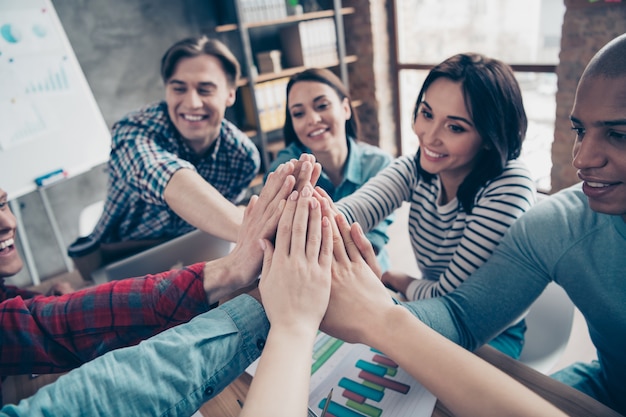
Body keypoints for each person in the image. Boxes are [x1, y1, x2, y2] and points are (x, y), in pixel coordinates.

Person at [1, 185, 569, 417]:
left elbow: (39, 326)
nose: (8, 222)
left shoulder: (525, 202)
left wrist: (361, 301)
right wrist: (289, 305)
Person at [0, 156, 316, 405]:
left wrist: (40, 300)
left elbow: (19, 312)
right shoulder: (136, 134)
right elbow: (51, 328)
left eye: (2, 203)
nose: (8, 222)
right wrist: (232, 267)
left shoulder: (240, 155)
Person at [332, 52, 535, 357]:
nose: (429, 136)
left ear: (490, 137)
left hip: (488, 332)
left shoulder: (509, 185)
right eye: (427, 113)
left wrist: (401, 281)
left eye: (455, 127)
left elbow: (450, 299)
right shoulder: (418, 166)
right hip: (429, 307)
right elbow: (347, 212)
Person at [68, 35, 261, 278]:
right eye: (178, 88)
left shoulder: (242, 157)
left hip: (193, 259)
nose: (191, 103)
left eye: (205, 90)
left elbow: (217, 228)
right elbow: (165, 174)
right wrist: (255, 230)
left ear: (230, 95)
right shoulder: (131, 131)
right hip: (121, 260)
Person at [266, 68, 395, 271]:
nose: (312, 119)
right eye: (299, 113)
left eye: (322, 105)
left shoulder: (379, 165)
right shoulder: (286, 170)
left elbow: (372, 242)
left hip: (367, 271)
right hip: (309, 277)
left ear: (345, 108)